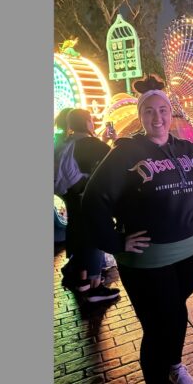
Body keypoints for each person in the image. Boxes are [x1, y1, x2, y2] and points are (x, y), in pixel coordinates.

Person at [82, 75, 193, 384]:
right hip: (148, 261)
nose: (157, 117)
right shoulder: (124, 153)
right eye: (149, 111)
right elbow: (93, 200)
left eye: (163, 110)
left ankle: (174, 364)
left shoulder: (189, 149)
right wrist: (115, 241)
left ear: (170, 113)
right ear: (140, 116)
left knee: (175, 312)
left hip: (192, 252)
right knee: (158, 324)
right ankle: (159, 377)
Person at [55, 108, 120, 302]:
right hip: (91, 198)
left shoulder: (66, 143)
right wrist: (114, 141)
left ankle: (82, 280)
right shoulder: (95, 145)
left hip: (71, 198)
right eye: (90, 120)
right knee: (94, 238)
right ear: (85, 122)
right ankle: (95, 287)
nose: (92, 123)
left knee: (79, 233)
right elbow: (114, 164)